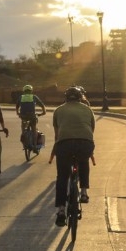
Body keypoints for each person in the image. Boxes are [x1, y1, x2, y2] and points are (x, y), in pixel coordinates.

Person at [49, 85, 96, 227]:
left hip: (64, 145)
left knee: (62, 176)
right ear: (80, 98)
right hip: (85, 143)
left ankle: (61, 210)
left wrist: (56, 149)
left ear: (66, 98)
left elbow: (57, 134)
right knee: (83, 163)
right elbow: (91, 129)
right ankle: (83, 192)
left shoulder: (58, 110)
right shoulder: (88, 109)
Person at [14, 84, 46, 149]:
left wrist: (18, 113)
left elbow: (17, 106)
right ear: (31, 91)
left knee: (23, 128)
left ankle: (24, 143)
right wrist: (43, 112)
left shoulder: (21, 97)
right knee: (34, 129)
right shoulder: (34, 97)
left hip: (23, 116)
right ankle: (34, 145)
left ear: (24, 91)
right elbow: (42, 105)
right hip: (32, 116)